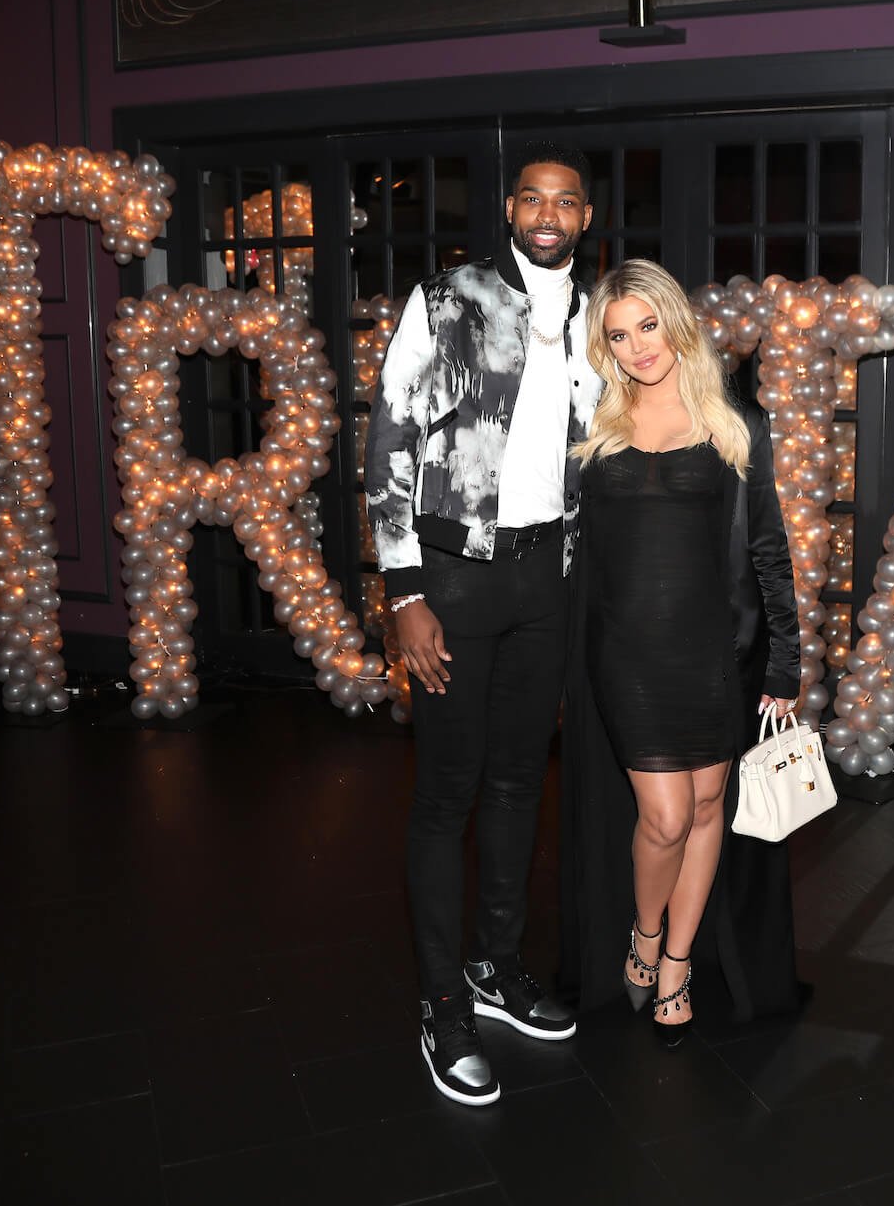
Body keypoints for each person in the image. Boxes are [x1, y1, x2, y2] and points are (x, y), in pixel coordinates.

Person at [363, 141, 602, 1106]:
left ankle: (494, 970)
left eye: (567, 202)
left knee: (515, 784)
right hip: (451, 580)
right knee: (446, 794)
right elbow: (388, 437)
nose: (547, 214)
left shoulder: (595, 315)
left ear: (584, 218)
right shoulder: (446, 298)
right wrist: (404, 592)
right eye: (532, 199)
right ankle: (439, 1006)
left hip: (545, 578)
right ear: (510, 209)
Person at [559, 259, 802, 1046]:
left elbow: (768, 549)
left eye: (646, 326)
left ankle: (676, 964)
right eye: (617, 335)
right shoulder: (592, 425)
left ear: (674, 321)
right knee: (663, 816)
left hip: (713, 653)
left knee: (706, 810)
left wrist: (785, 662)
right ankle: (643, 933)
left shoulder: (736, 424)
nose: (636, 347)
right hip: (627, 653)